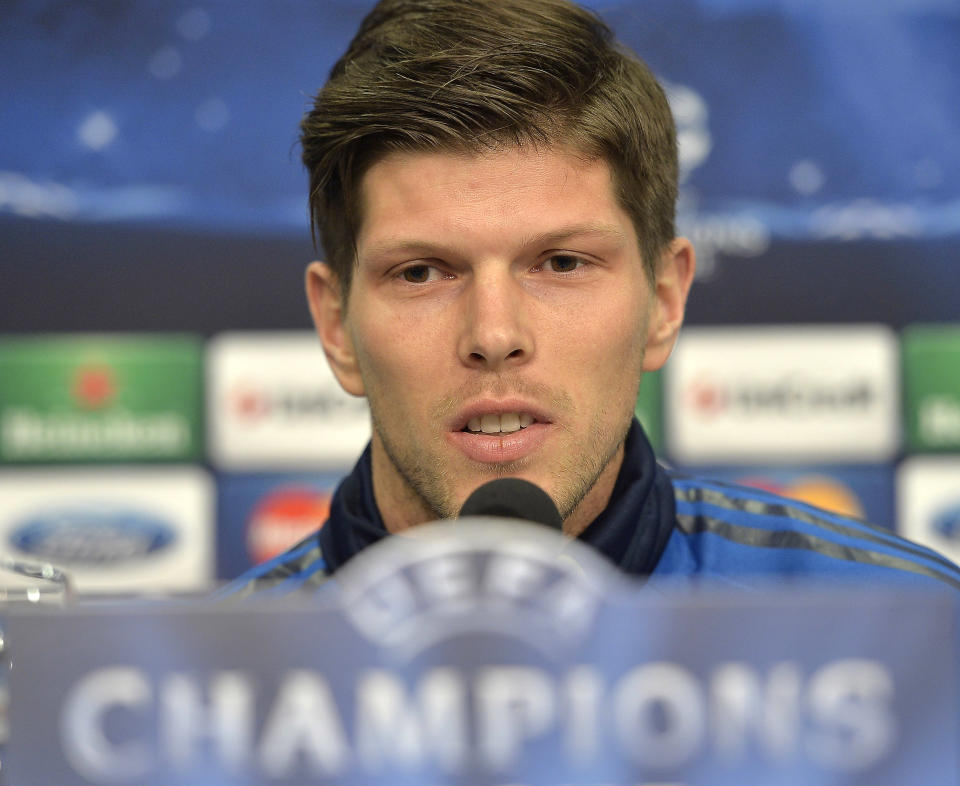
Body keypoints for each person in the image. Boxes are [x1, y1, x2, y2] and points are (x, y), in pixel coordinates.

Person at [223, 0, 960, 597]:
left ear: (665, 300)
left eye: (562, 262)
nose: (494, 332)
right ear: (337, 326)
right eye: (422, 273)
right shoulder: (191, 708)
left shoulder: (914, 639)